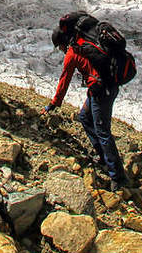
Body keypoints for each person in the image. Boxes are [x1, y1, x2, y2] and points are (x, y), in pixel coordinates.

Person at [44, 22, 130, 191]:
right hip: (102, 88)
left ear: (64, 41)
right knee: (84, 116)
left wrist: (54, 103)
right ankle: (105, 158)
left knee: (102, 131)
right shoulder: (84, 44)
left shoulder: (73, 52)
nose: (60, 50)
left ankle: (118, 178)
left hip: (101, 91)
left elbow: (64, 80)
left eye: (59, 46)